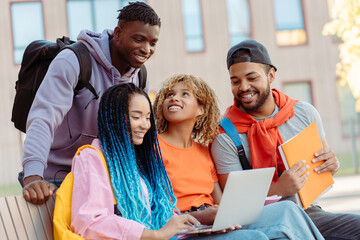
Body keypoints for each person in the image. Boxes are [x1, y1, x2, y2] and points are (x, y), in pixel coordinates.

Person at [70, 83, 261, 240]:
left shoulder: (134, 159)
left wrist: (195, 223)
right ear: (114, 118)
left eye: (147, 118)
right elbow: (89, 223)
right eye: (136, 117)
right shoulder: (92, 157)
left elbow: (156, 213)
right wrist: (153, 235)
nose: (145, 125)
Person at [210, 39, 360, 239]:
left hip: (308, 212)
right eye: (235, 81)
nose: (243, 87)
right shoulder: (225, 135)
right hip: (261, 221)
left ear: (271, 75)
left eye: (251, 77)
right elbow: (234, 205)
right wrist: (279, 189)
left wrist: (333, 163)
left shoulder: (303, 113)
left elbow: (325, 164)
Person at [21, 2, 161, 205]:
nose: (146, 49)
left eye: (153, 43)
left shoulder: (140, 77)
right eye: (138, 39)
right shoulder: (73, 61)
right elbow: (43, 118)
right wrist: (33, 176)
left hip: (102, 177)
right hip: (57, 177)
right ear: (118, 33)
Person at [153, 74, 324, 239]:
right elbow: (152, 206)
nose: (174, 98)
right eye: (169, 94)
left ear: (201, 109)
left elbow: (222, 204)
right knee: (255, 237)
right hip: (184, 228)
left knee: (287, 208)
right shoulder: (153, 148)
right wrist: (202, 217)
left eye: (184, 94)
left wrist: (222, 217)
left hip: (211, 223)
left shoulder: (204, 151)